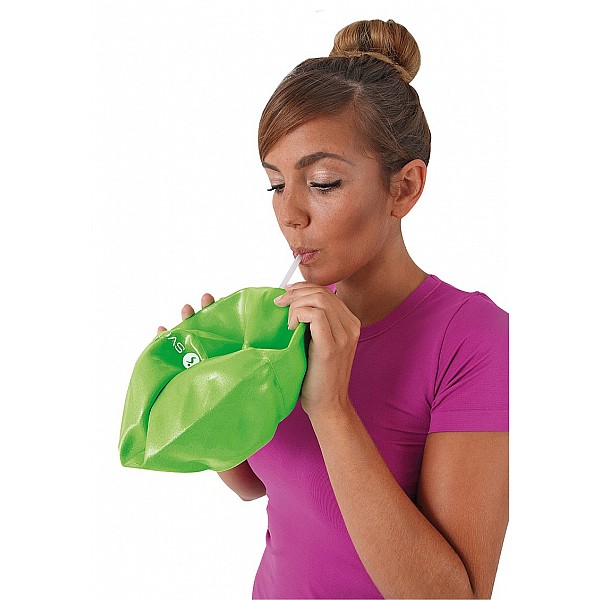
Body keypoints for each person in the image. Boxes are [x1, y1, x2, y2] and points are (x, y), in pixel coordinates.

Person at [157, 18, 508, 600]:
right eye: (275, 185)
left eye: (321, 183)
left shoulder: (471, 337)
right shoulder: (281, 321)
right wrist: (208, 393)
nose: (289, 214)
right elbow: (254, 485)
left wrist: (331, 408)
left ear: (404, 187)